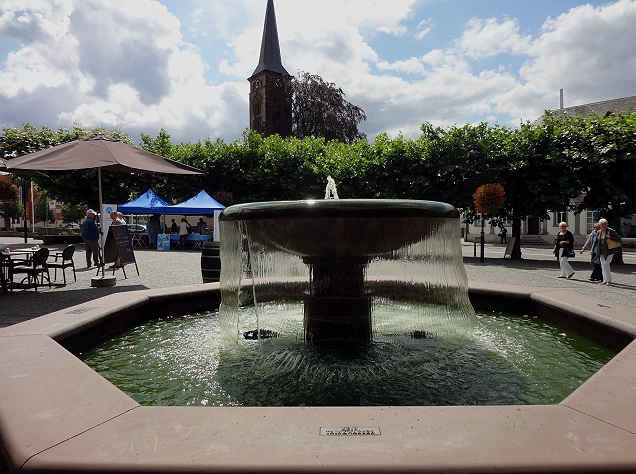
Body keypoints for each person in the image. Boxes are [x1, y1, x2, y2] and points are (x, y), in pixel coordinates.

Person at [597, 218, 621, 286]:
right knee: (603, 265)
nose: (604, 225)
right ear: (600, 225)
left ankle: (609, 280)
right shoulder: (599, 232)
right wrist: (592, 249)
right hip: (601, 251)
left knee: (605, 264)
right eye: (602, 224)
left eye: (605, 224)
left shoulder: (611, 231)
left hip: (610, 250)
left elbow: (618, 238)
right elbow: (596, 241)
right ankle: (605, 280)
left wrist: (610, 237)